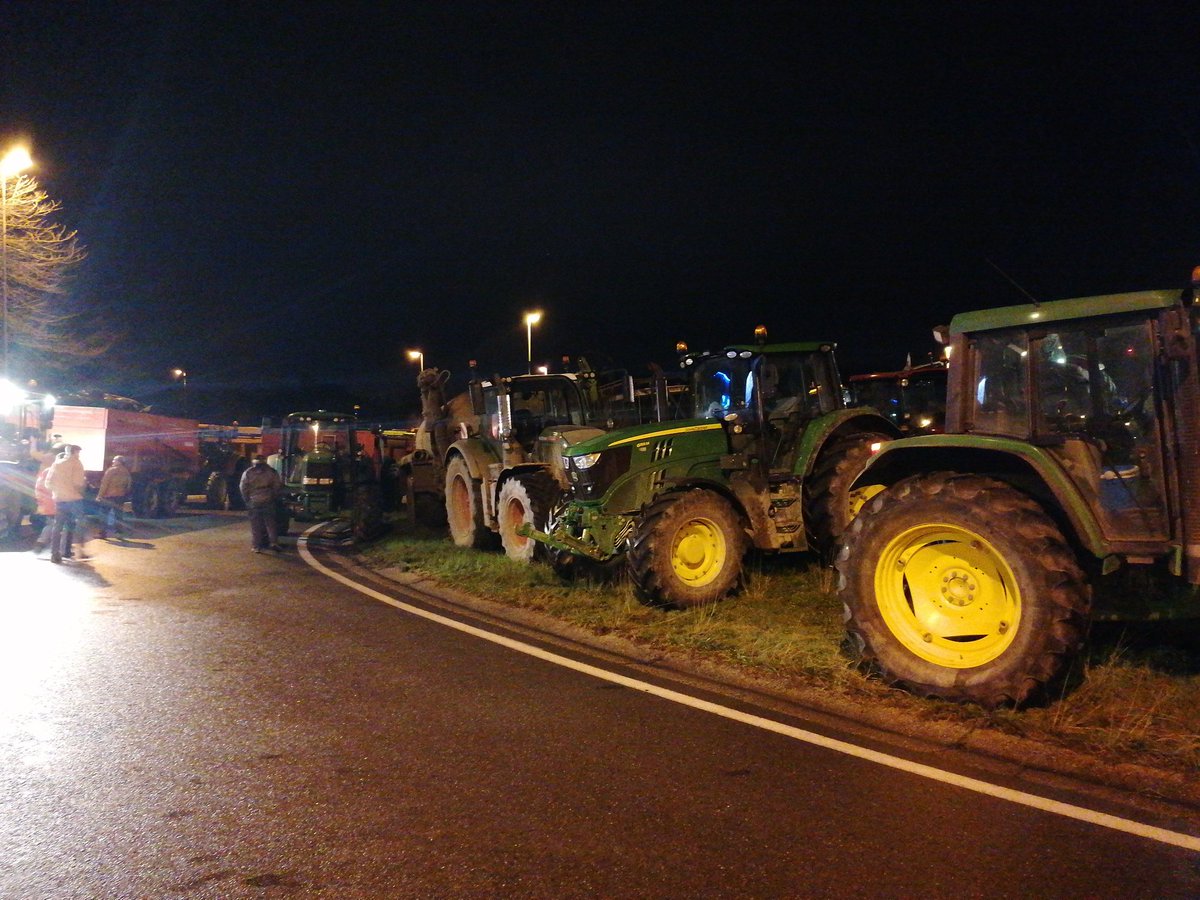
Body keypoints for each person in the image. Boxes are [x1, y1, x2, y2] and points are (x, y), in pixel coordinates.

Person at [46, 444, 87, 563]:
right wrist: (81, 492)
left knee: (58, 526)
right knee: (78, 523)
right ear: (74, 452)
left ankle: (55, 553)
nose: (79, 455)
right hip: (74, 499)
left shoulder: (57, 463)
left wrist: (57, 491)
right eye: (78, 452)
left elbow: (48, 483)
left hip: (59, 499)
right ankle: (76, 550)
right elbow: (78, 483)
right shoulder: (77, 463)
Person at [239, 454, 283, 553]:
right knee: (270, 523)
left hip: (254, 501)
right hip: (268, 500)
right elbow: (277, 486)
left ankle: (256, 546)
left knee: (255, 525)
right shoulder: (272, 472)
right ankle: (274, 543)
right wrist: (273, 497)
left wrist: (247, 499)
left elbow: (243, 487)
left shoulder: (248, 473)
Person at [96, 455, 132, 539]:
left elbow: (104, 484)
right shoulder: (126, 472)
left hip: (108, 496)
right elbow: (128, 485)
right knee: (118, 515)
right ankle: (119, 533)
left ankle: (102, 533)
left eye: (114, 460)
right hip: (120, 496)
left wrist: (99, 495)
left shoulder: (111, 471)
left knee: (103, 515)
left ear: (119, 461)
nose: (113, 461)